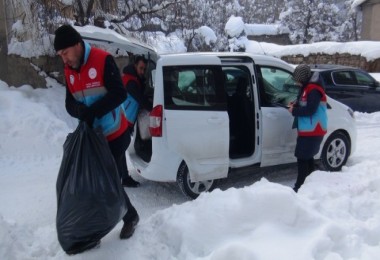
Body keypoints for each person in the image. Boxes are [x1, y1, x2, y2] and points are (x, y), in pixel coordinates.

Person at [53, 24, 139, 246]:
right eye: (60, 55)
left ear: (77, 45)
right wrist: (79, 111)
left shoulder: (103, 60)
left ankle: (126, 218)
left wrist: (93, 111)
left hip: (114, 134)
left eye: (65, 53)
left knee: (105, 180)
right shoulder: (69, 69)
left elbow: (120, 94)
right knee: (104, 180)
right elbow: (69, 102)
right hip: (93, 135)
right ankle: (107, 222)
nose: (64, 59)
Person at [287, 64, 327, 192]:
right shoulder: (307, 87)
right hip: (308, 129)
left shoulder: (313, 89)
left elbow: (310, 109)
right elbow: (305, 102)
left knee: (302, 158)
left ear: (303, 78)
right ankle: (310, 185)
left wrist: (294, 111)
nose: (296, 82)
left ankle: (299, 187)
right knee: (307, 157)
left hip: (313, 130)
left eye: (297, 79)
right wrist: (296, 103)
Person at [120, 55, 152, 187]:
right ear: (135, 66)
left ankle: (121, 177)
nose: (142, 71)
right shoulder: (131, 81)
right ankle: (124, 178)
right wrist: (154, 108)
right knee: (120, 151)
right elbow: (141, 99)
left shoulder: (135, 79)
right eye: (140, 68)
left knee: (120, 150)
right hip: (123, 121)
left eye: (144, 69)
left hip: (126, 120)